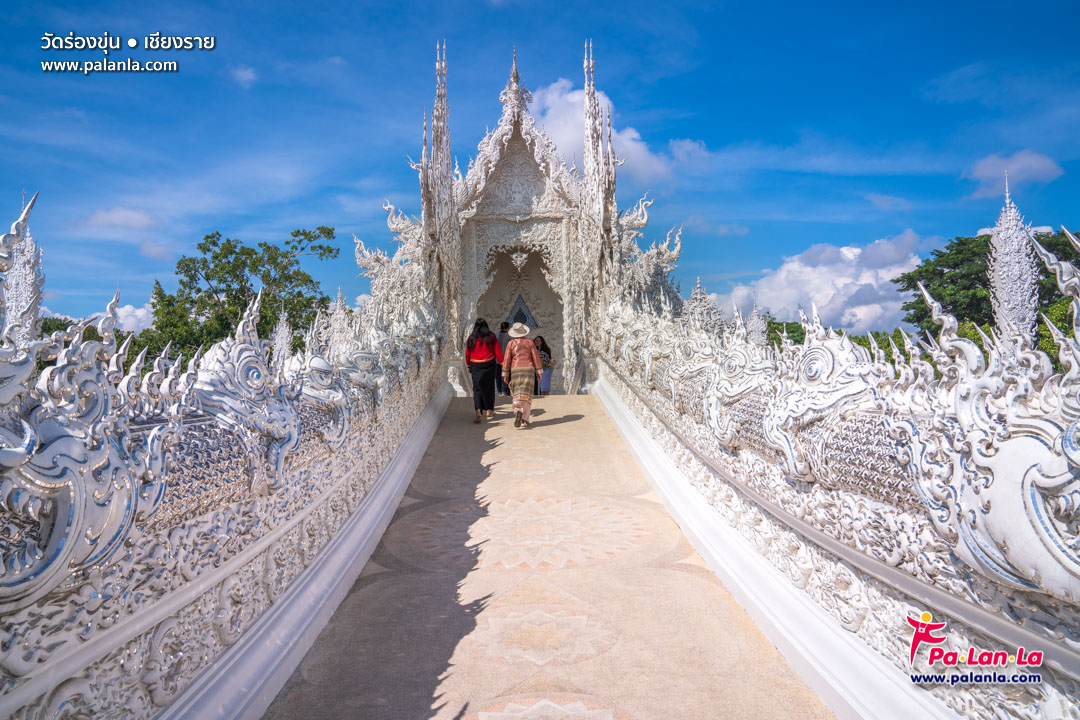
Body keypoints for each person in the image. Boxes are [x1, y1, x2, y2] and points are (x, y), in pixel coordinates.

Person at [501, 322, 543, 428]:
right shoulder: (529, 342)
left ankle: (517, 410)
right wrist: (539, 372)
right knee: (527, 394)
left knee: (517, 393)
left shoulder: (511, 344)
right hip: (528, 370)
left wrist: (505, 374)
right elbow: (536, 357)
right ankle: (525, 418)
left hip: (516, 369)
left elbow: (507, 359)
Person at [465, 318, 503, 423]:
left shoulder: (471, 338)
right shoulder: (491, 336)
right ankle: (489, 411)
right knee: (489, 387)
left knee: (477, 388)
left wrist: (468, 365)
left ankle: (478, 411)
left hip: (475, 364)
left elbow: (467, 353)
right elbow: (497, 350)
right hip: (489, 364)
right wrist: (502, 362)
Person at [496, 321, 511, 396]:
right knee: (505, 375)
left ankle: (499, 391)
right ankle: (504, 391)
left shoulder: (496, 334)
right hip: (506, 359)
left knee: (498, 376)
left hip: (497, 360)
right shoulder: (509, 336)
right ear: (508, 328)